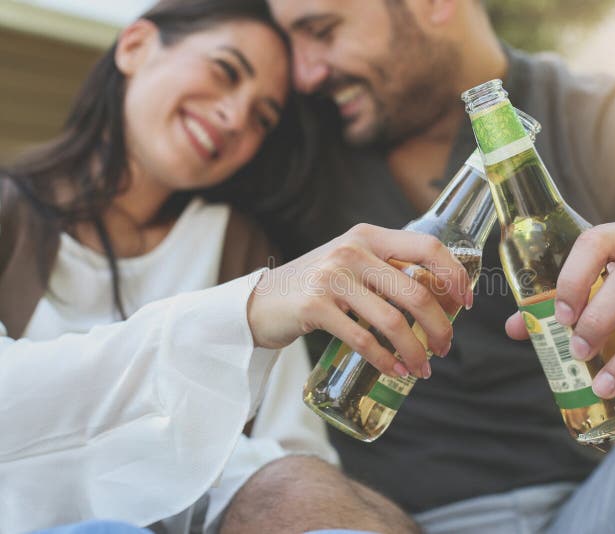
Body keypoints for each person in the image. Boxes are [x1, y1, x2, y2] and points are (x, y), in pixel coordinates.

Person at [249, 0, 615, 532]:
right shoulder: (289, 142)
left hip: (608, 496)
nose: (302, 72)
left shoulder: (604, 120)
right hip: (384, 516)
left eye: (321, 30)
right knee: (274, 490)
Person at [0, 1, 471, 533]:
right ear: (135, 47)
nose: (234, 117)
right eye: (224, 71)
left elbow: (293, 453)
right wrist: (239, 314)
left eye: (262, 116)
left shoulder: (239, 247)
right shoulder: (10, 216)